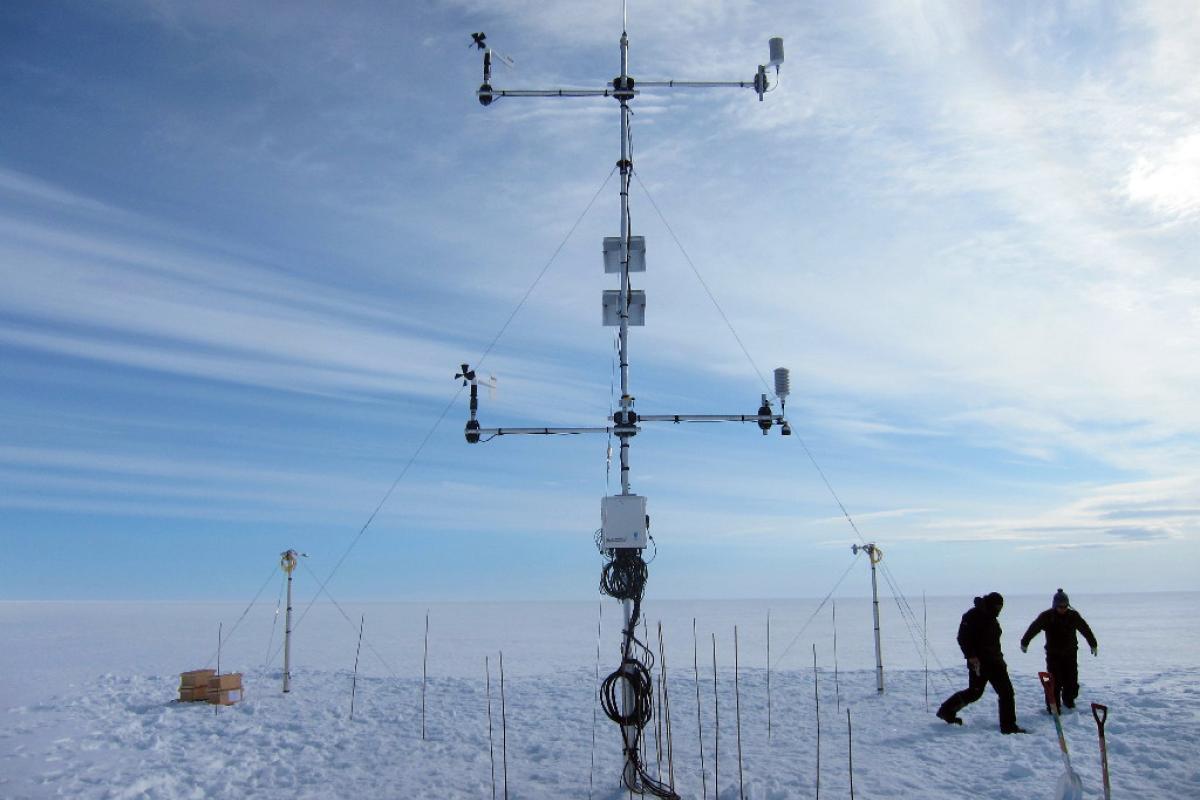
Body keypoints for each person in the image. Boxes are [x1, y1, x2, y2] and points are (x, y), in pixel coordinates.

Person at [936, 592, 1027, 733]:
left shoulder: (991, 616)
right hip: (980, 663)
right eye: (998, 606)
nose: (999, 610)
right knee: (982, 692)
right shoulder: (973, 616)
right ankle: (946, 711)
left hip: (995, 661)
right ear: (991, 604)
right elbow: (962, 638)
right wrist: (971, 656)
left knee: (999, 692)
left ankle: (1008, 726)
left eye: (1001, 607)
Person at [1020, 588, 1098, 713]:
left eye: (1065, 606)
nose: (1063, 608)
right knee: (1054, 682)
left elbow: (1085, 629)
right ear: (1055, 605)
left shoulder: (1073, 616)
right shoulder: (1047, 616)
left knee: (1071, 681)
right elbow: (1034, 628)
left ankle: (1069, 700)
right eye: (1060, 606)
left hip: (1070, 654)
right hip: (1053, 655)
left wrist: (1093, 643)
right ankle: (1053, 706)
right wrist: (1025, 642)